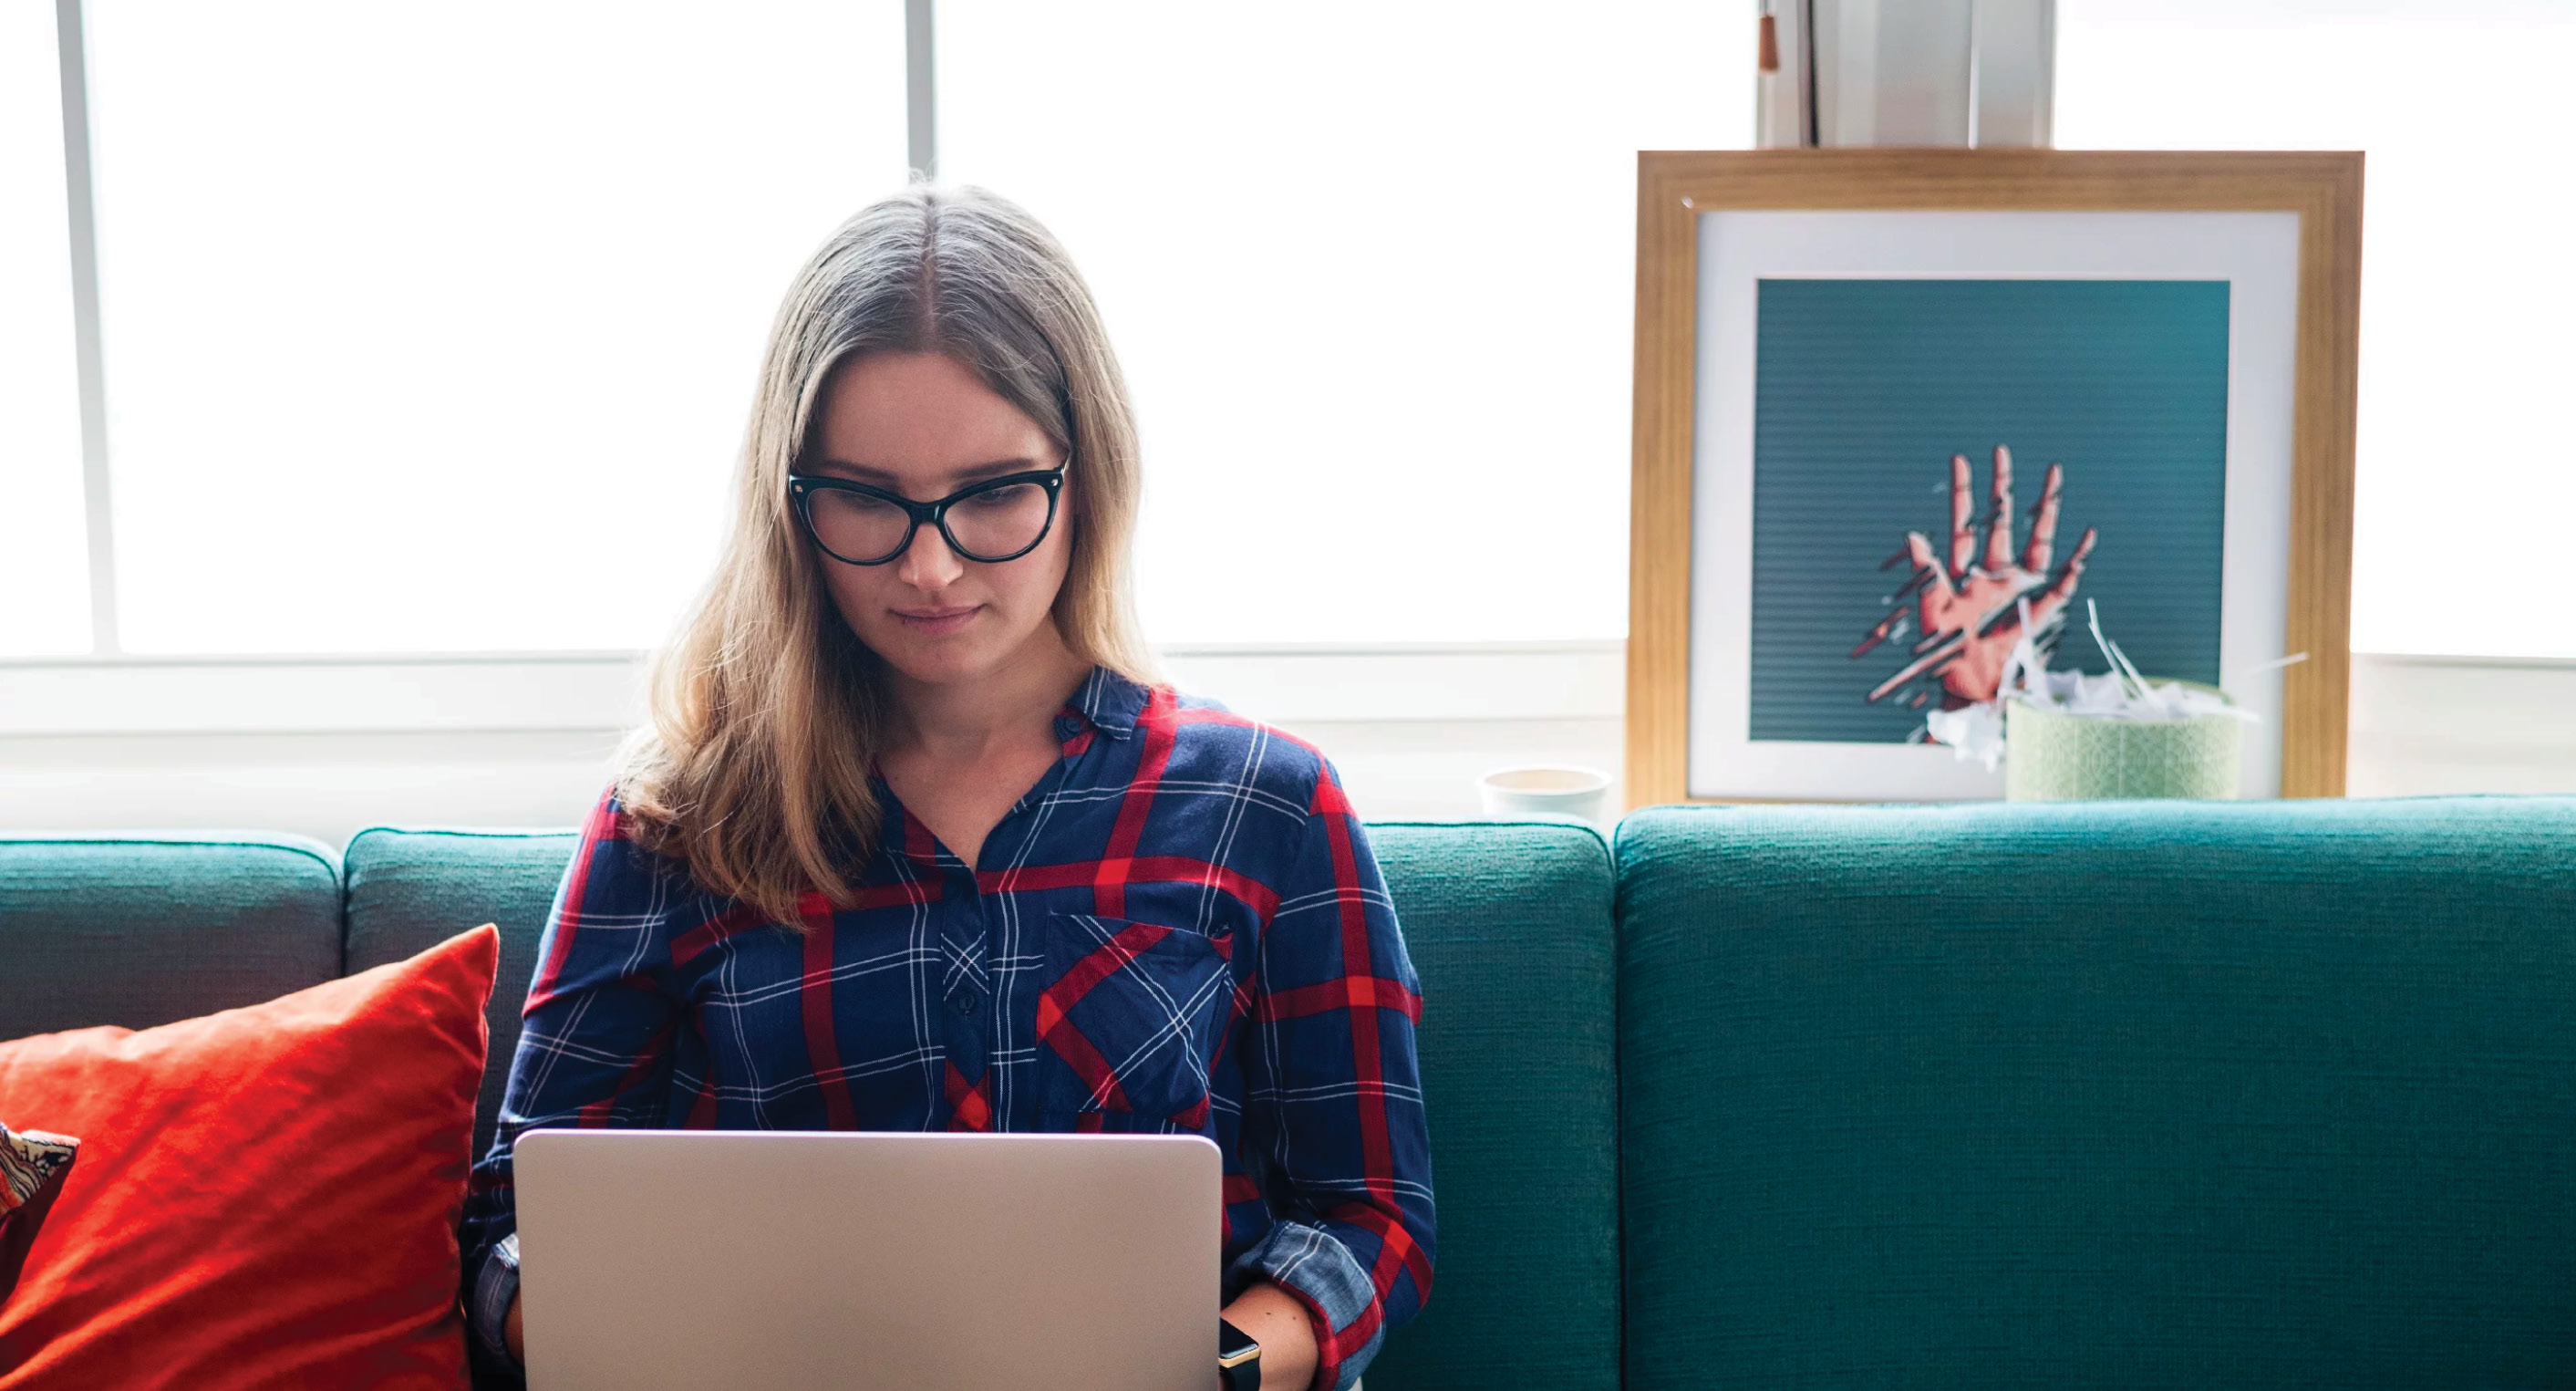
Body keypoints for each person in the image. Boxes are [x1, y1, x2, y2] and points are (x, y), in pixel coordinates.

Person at [459, 185, 1434, 1391]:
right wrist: (649, 1345)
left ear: (1088, 478)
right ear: (789, 500)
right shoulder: (677, 820)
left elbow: (1367, 1219)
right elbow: (513, 1222)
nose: (929, 565)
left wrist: (1217, 1370)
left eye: (990, 493)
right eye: (865, 497)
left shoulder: (1265, 807)